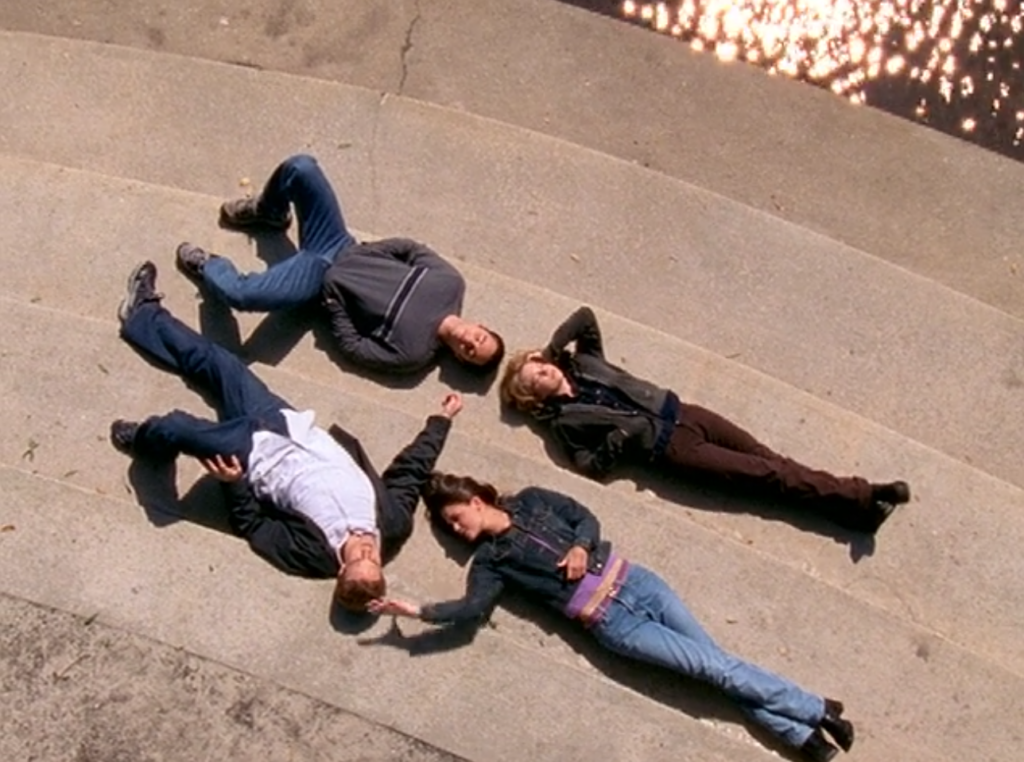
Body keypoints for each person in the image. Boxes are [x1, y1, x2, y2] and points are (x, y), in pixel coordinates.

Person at [370, 473, 855, 762]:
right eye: (452, 527)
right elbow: (472, 609)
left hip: (640, 584)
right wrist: (417, 610)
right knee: (711, 667)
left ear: (476, 500)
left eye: (456, 516)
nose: (459, 528)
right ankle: (814, 709)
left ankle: (805, 739)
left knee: (716, 663)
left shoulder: (534, 500)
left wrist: (581, 546)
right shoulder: (492, 563)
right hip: (617, 625)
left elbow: (584, 514)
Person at [109, 260, 462, 610]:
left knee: (177, 426)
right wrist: (441, 421)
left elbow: (256, 528)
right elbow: (409, 473)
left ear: (341, 568)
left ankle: (144, 441)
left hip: (251, 454)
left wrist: (233, 484)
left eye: (360, 557)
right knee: (218, 362)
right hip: (287, 424)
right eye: (374, 557)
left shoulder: (311, 557)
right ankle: (142, 315)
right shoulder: (392, 523)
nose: (368, 548)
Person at [500, 306, 910, 533]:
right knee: (769, 474)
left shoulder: (586, 362)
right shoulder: (564, 423)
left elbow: (585, 317)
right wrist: (619, 439)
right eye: (533, 380)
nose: (542, 373)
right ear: (532, 397)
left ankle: (854, 515)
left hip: (685, 413)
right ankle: (864, 493)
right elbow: (587, 466)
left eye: (539, 366)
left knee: (775, 465)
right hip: (674, 450)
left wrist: (553, 348)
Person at [174, 153, 505, 374]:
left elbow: (356, 349)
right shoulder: (449, 283)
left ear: (460, 359)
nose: (470, 342)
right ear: (480, 325)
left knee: (243, 296)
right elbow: (409, 248)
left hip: (317, 282)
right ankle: (268, 211)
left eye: (471, 353)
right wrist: (365, 253)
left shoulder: (414, 353)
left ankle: (209, 268)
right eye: (480, 338)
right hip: (338, 243)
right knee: (301, 167)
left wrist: (333, 303)